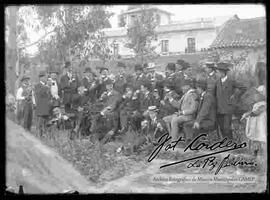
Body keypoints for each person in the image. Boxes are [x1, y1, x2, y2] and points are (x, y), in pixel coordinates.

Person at [215, 62, 247, 140]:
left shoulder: (231, 81)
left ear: (224, 72)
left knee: (226, 127)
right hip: (219, 108)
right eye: (218, 72)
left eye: (219, 72)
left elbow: (243, 88)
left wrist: (235, 95)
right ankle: (226, 142)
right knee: (222, 127)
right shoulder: (217, 82)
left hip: (228, 107)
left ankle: (231, 142)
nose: (218, 73)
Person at [183, 79, 216, 143]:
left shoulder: (208, 96)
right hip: (204, 120)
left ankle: (192, 143)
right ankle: (190, 141)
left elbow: (204, 111)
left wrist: (197, 121)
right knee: (186, 124)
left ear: (201, 88)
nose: (196, 90)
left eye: (197, 88)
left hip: (209, 121)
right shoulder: (203, 95)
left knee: (189, 125)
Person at [34, 71, 52, 137]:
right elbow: (40, 93)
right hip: (41, 108)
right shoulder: (37, 85)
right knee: (40, 123)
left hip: (47, 107)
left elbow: (49, 95)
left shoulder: (46, 85)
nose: (46, 78)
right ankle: (39, 136)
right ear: (41, 77)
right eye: (45, 77)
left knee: (46, 123)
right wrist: (47, 86)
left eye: (46, 77)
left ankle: (45, 136)